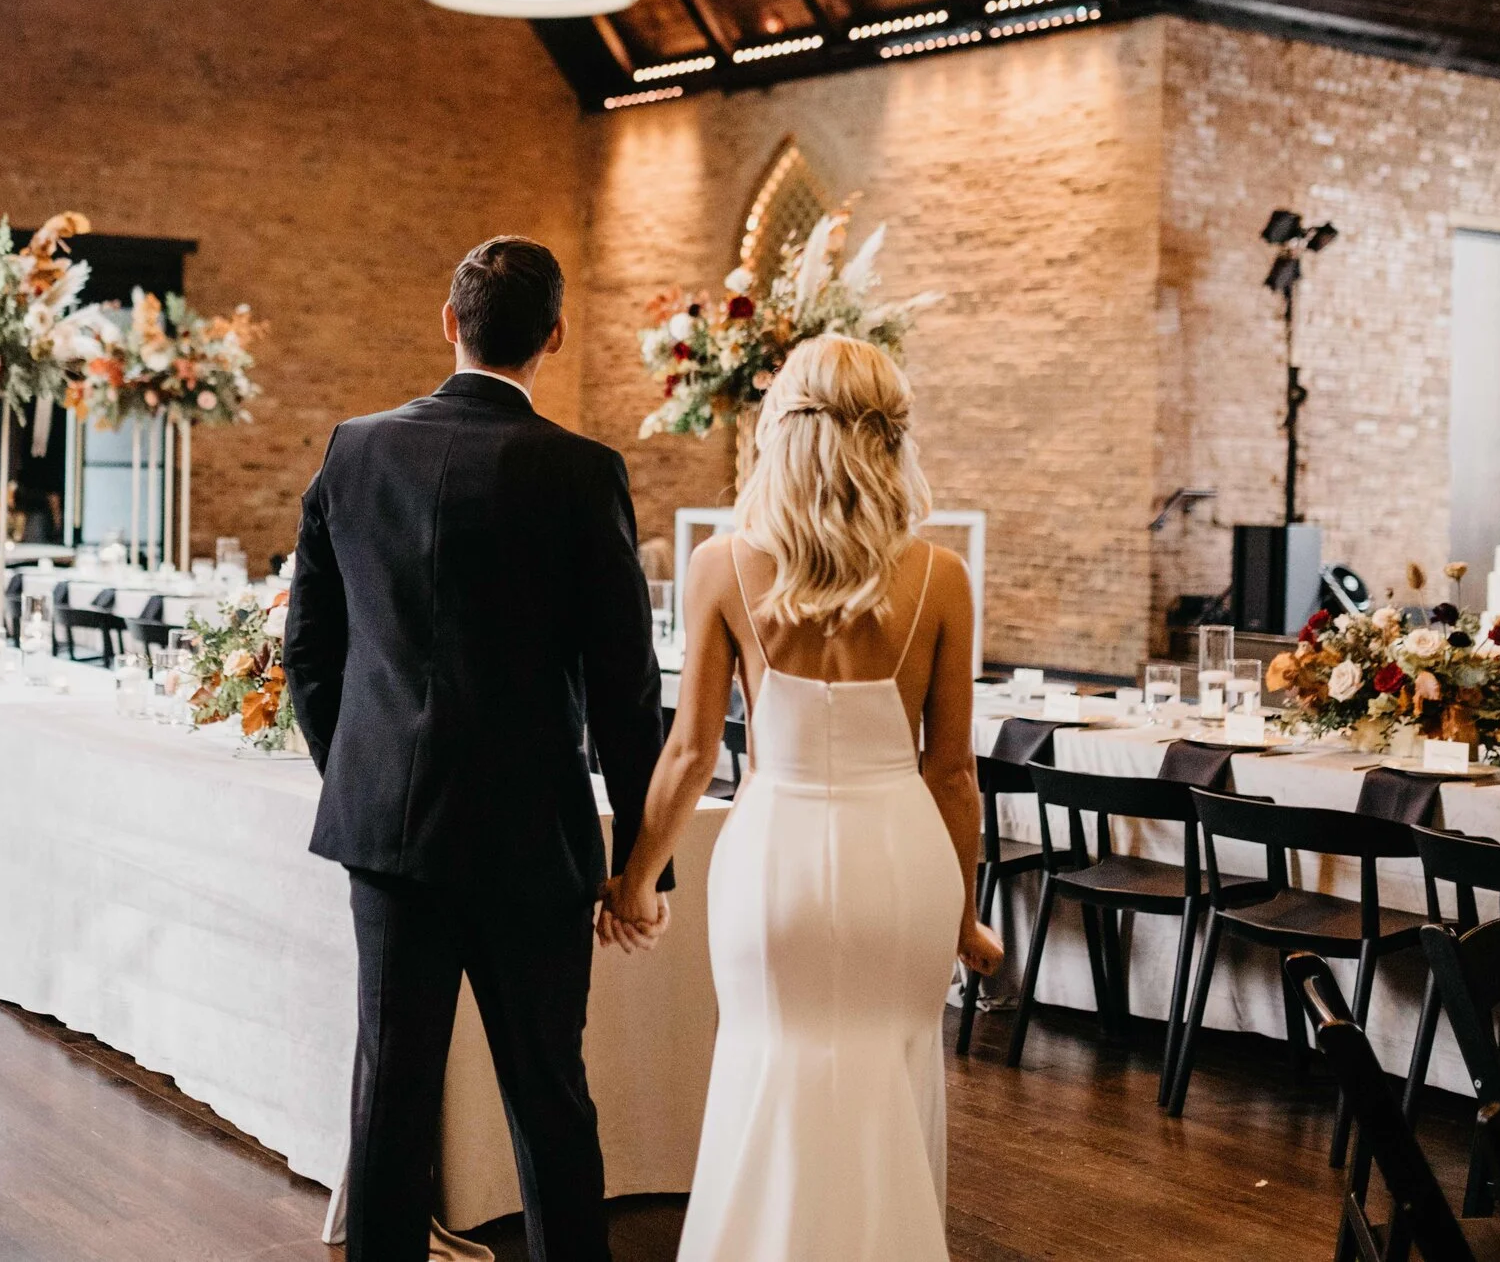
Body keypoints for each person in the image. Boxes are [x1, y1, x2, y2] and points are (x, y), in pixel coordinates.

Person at [285, 236, 667, 1262]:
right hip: (530, 840)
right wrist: (640, 856)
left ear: (446, 322)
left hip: (390, 834)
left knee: (390, 1094)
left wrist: (363, 775)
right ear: (554, 336)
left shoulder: (352, 450)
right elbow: (630, 688)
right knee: (548, 1095)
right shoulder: (584, 473)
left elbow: (308, 655)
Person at [600, 332, 1000, 1261]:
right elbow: (952, 776)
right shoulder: (941, 578)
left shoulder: (722, 566)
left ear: (780, 433)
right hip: (900, 866)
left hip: (773, 857)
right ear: (890, 439)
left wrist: (636, 881)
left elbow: (692, 753)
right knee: (891, 1081)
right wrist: (966, 916)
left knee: (766, 1064)